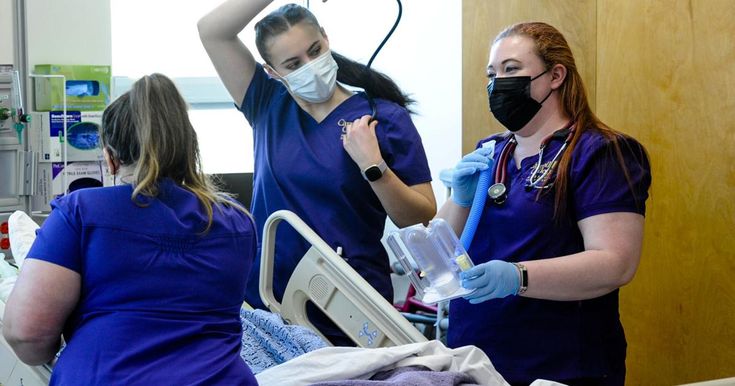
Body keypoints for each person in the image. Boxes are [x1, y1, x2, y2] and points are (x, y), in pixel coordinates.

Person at [198, 1, 436, 343]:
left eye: (315, 51)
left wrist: (375, 167)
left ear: (326, 39)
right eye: (293, 64)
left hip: (352, 303)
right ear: (273, 71)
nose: (310, 66)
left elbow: (420, 218)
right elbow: (212, 30)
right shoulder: (266, 103)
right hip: (270, 299)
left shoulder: (381, 117)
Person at [2, 74, 258, 385]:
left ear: (110, 158)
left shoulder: (80, 211)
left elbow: (27, 334)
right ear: (187, 148)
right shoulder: (238, 222)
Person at [437, 22, 652, 386]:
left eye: (511, 70)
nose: (497, 83)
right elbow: (438, 254)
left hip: (560, 366)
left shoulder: (600, 153)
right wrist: (458, 200)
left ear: (555, 75)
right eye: (491, 73)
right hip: (474, 361)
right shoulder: (490, 153)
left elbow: (615, 263)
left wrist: (517, 276)